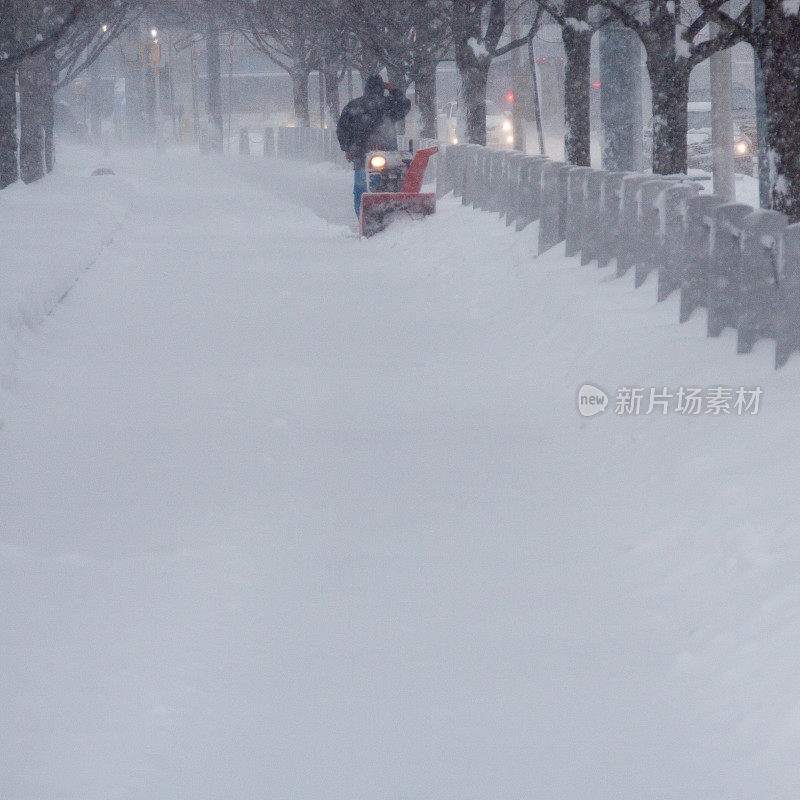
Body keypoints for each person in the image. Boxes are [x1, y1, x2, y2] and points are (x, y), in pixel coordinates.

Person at [336, 75, 411, 217]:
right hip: (387, 154)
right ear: (382, 88)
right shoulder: (389, 104)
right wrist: (394, 90)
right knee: (390, 185)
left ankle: (362, 218)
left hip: (361, 154)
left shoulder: (354, 106)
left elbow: (342, 129)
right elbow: (405, 105)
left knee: (361, 189)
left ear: (366, 88)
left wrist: (347, 148)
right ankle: (390, 213)